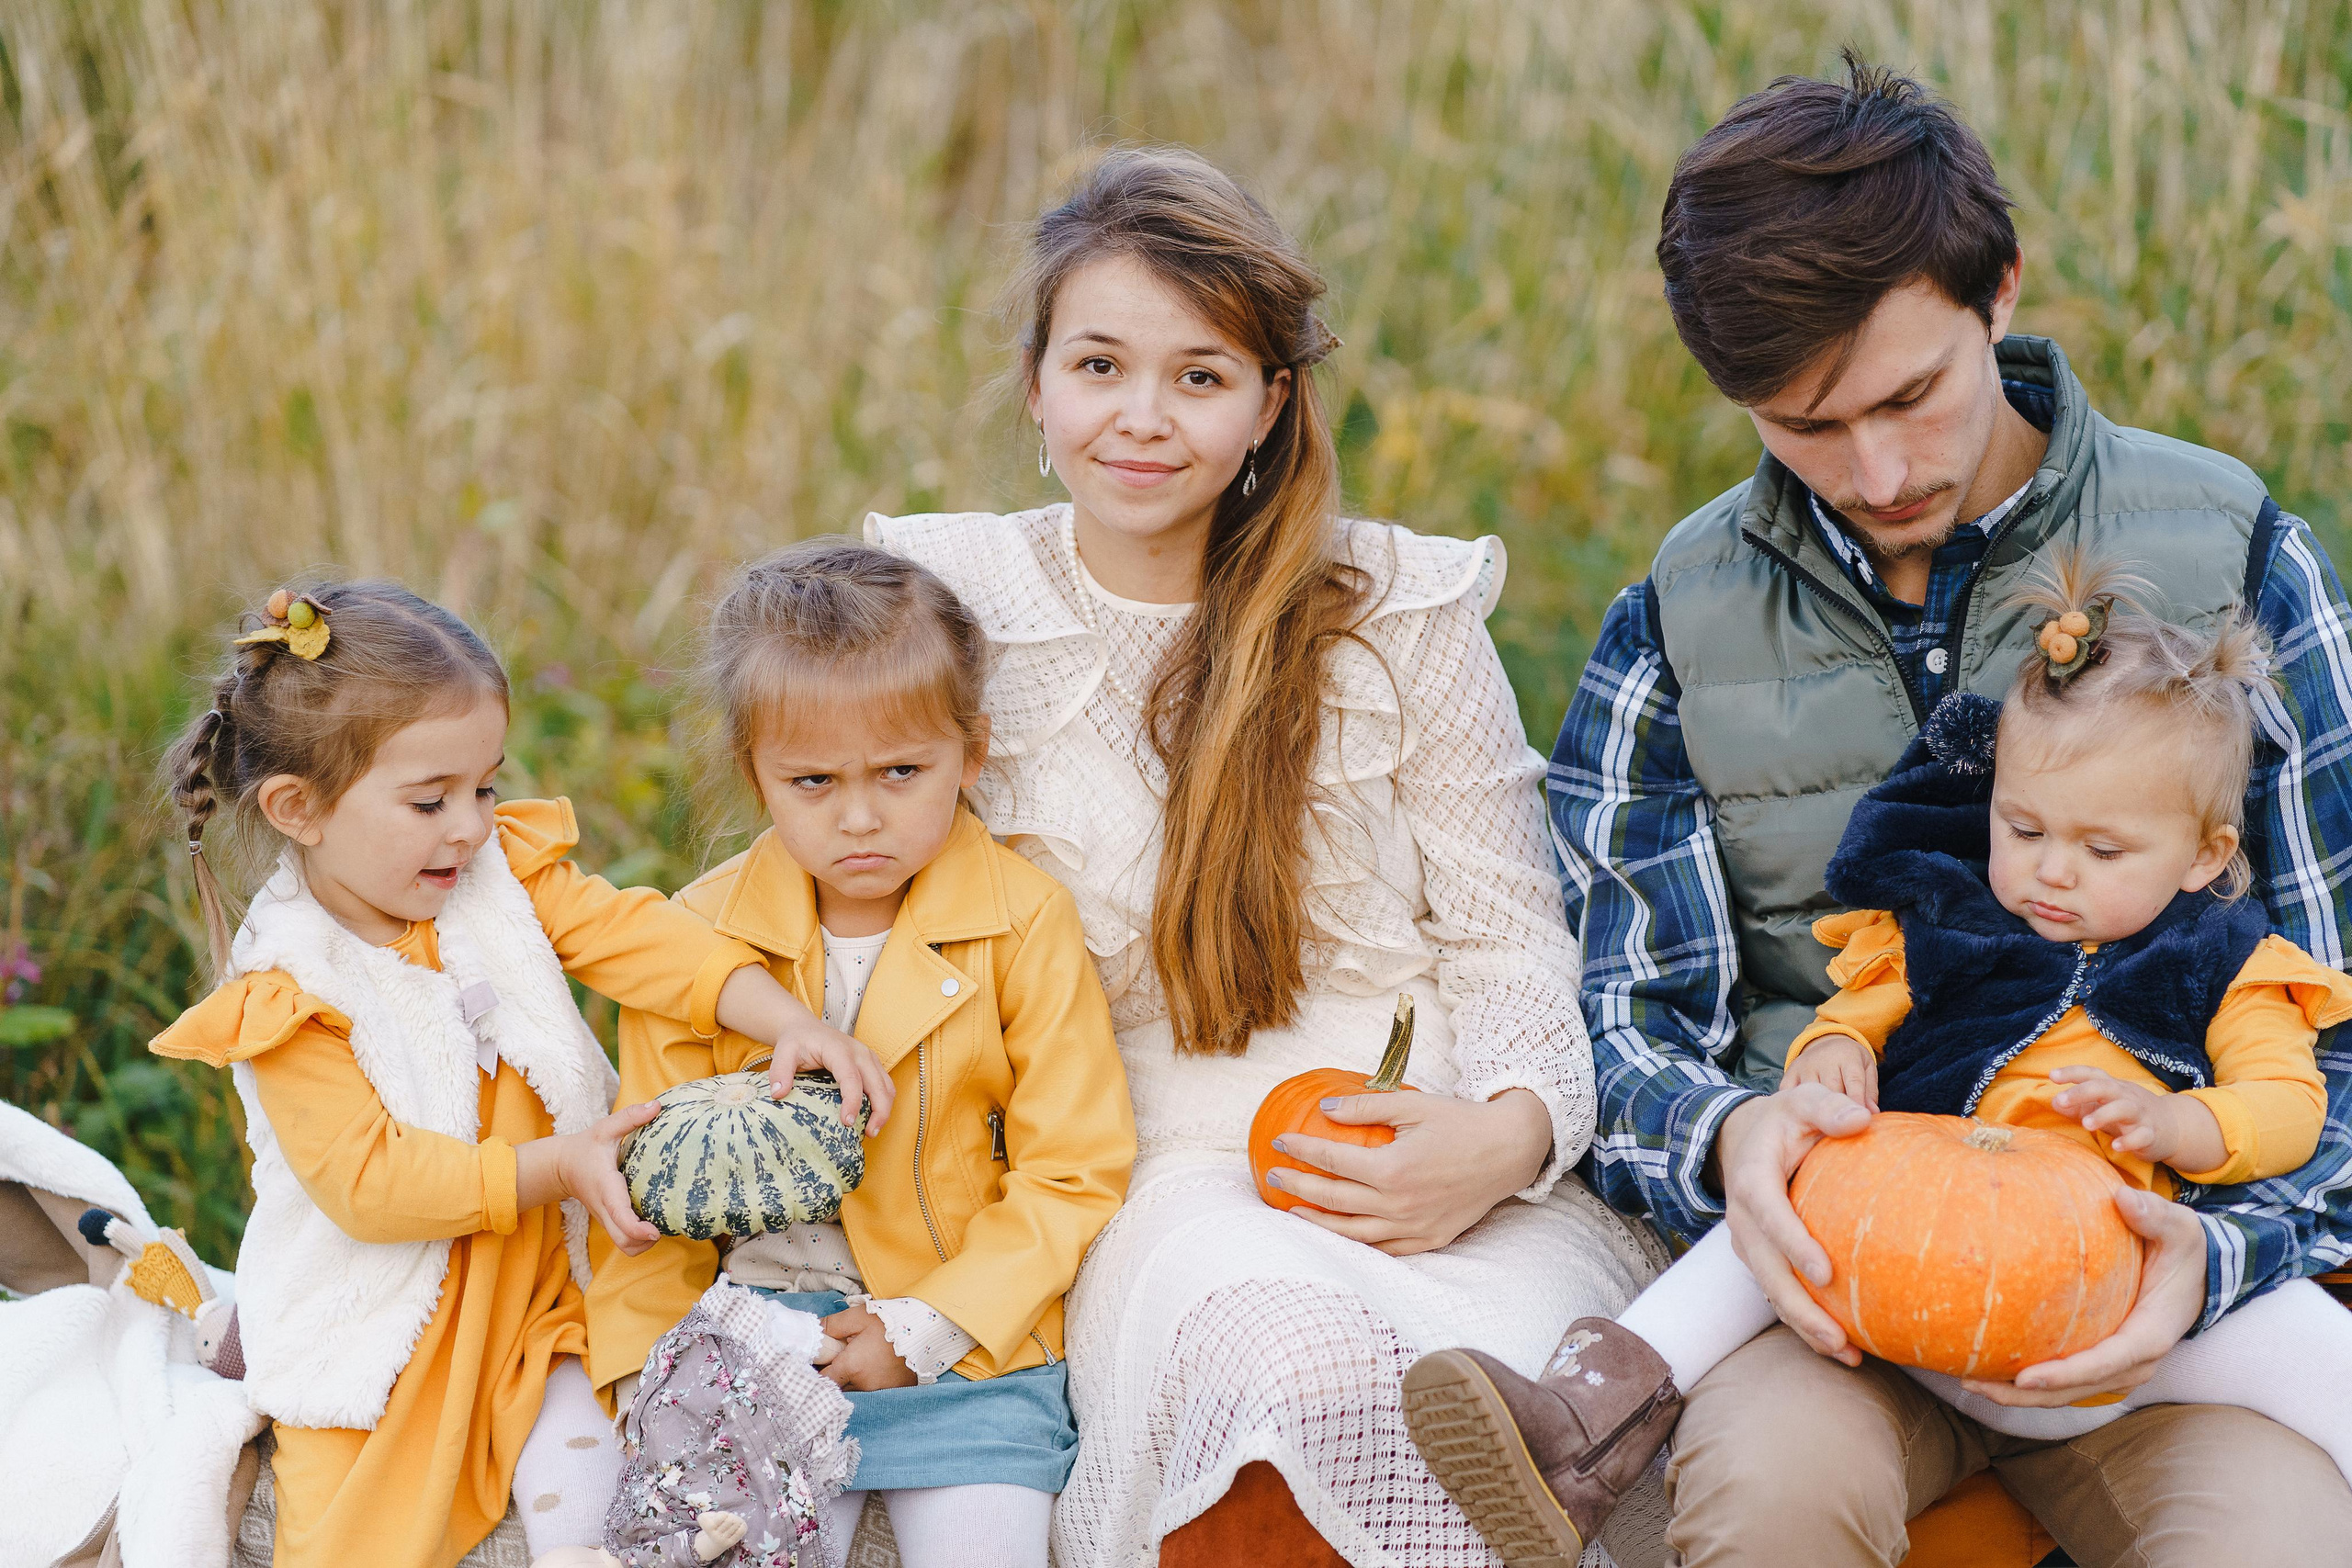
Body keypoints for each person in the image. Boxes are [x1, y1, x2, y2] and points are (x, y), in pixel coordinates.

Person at [1482, 53, 2352, 1567]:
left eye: (1909, 396)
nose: (1877, 470)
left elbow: (2336, 1032)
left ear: (1998, 292)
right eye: (1807, 424)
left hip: (2162, 1286)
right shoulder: (1674, 623)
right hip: (1835, 1290)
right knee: (1769, 1510)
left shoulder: (2236, 561)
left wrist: (2222, 1249)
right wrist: (1731, 1141)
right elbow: (1620, 1019)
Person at [863, 147, 1661, 1567]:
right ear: (1037, 383)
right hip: (1145, 1157)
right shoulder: (953, 603)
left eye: (1201, 375)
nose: (1142, 419)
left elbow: (1509, 929)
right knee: (1288, 1363)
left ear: (1271, 403)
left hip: (1440, 1145)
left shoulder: (1395, 608)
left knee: (1469, 1388)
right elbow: (837, 860)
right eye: (1100, 365)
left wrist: (1513, 1134)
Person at [1406, 558, 2352, 1559]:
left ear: (2203, 854)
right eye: (2022, 828)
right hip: (1910, 1274)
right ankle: (1582, 1432)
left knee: (2312, 1348)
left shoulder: (2228, 962)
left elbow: (2288, 1104)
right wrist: (1828, 1061)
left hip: (2120, 1305)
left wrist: (2181, 1125)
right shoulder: (1945, 922)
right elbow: (1853, 1014)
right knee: (1782, 1203)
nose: (2050, 870)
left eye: (2103, 851)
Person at [146, 581, 883, 1568]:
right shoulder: (292, 988)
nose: (469, 826)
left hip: (550, 1283)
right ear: (298, 809)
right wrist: (555, 1164)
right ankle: (264, 1344)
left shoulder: (500, 882)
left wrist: (788, 1017)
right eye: (430, 800)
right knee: (352, 1534)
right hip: (396, 1311)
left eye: (486, 787)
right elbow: (370, 1185)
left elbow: (640, 940)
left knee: (595, 1471)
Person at [584, 539, 1136, 1568]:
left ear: (970, 755)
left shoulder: (1020, 922)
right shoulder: (693, 943)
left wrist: (926, 1326)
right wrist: (647, 1377)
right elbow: (648, 1190)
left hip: (961, 1350)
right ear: (756, 774)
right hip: (747, 1345)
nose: (859, 815)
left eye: (900, 771)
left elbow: (1075, 1168)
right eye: (812, 780)